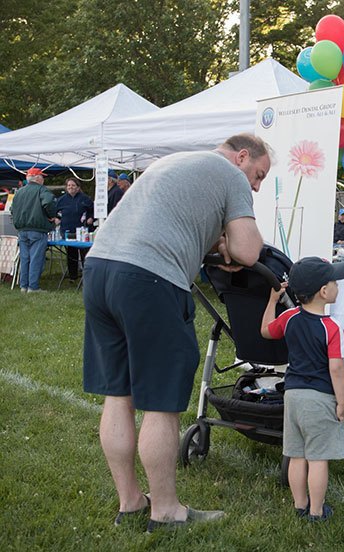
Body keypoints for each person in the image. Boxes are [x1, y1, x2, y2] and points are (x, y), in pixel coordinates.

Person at [82, 133, 270, 532]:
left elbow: (171, 224)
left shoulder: (176, 161)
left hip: (99, 269)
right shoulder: (230, 175)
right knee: (161, 403)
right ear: (241, 157)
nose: (256, 185)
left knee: (119, 395)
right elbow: (250, 251)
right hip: (150, 280)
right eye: (259, 174)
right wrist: (228, 240)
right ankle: (166, 511)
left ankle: (131, 501)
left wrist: (213, 241)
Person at [260, 257, 344, 522]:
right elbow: (337, 369)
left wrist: (272, 302)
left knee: (296, 455)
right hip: (320, 399)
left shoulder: (288, 318)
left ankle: (300, 505)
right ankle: (316, 511)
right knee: (319, 458)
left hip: (293, 396)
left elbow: (266, 331)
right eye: (334, 281)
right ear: (324, 291)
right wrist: (342, 402)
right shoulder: (332, 328)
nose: (337, 285)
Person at [10, 167, 57, 293]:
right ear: (37, 178)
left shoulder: (19, 192)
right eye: (42, 177)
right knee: (36, 258)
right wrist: (52, 215)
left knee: (25, 258)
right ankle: (33, 287)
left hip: (22, 230)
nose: (43, 179)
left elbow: (12, 210)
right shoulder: (42, 190)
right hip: (37, 229)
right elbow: (49, 202)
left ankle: (23, 286)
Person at [55, 178, 94, 281]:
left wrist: (91, 217)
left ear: (78, 187)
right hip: (67, 231)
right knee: (71, 254)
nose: (70, 187)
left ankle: (87, 276)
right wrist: (56, 218)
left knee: (84, 253)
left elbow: (92, 211)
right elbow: (55, 212)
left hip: (82, 231)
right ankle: (73, 276)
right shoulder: (62, 200)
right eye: (68, 186)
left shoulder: (85, 199)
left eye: (73, 185)